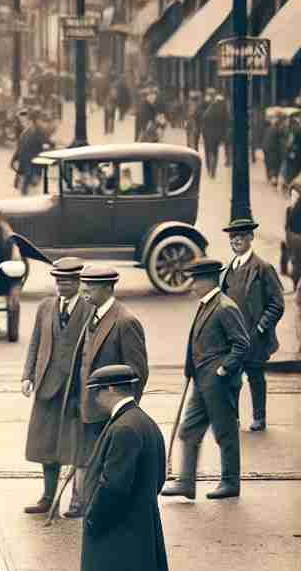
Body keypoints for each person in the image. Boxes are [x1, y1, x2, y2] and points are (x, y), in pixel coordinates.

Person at [78, 365, 173, 571]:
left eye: (96, 391)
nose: (94, 398)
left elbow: (114, 485)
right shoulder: (140, 421)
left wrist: (94, 517)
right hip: (137, 521)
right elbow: (159, 475)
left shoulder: (124, 428)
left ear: (110, 390)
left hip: (122, 526)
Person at [162, 258, 251, 501]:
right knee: (188, 430)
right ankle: (186, 483)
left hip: (219, 382)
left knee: (225, 432)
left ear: (207, 280)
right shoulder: (208, 304)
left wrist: (224, 369)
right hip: (202, 381)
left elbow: (242, 344)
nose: (191, 284)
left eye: (194, 279)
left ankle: (230, 483)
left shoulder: (225, 307)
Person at [65, 265, 149, 518]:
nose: (84, 289)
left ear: (107, 288)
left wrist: (123, 411)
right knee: (82, 458)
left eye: (90, 285)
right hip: (85, 406)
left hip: (108, 410)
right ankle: (80, 503)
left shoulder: (125, 321)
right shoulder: (92, 315)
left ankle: (96, 510)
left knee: (103, 464)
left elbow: (138, 372)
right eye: (83, 283)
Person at [20, 257, 93, 513]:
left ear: (78, 282)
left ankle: (77, 500)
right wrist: (27, 375)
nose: (61, 285)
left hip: (75, 387)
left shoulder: (88, 308)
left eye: (68, 281)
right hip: (47, 384)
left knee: (75, 444)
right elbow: (35, 342)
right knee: (46, 443)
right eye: (58, 280)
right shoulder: (46, 306)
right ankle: (48, 497)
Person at [220, 218, 284, 432]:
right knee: (231, 379)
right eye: (232, 236)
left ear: (251, 237)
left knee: (256, 378)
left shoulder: (263, 268)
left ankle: (259, 418)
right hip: (233, 338)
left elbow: (277, 304)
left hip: (254, 337)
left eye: (241, 235)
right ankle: (234, 418)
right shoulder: (227, 270)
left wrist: (260, 327)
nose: (235, 239)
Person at [201, 91, 229, 179]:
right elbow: (225, 123)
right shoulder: (223, 110)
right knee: (215, 152)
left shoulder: (209, 109)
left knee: (208, 151)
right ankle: (213, 170)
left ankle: (209, 168)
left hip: (208, 134)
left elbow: (203, 119)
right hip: (217, 134)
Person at [286, 181, 301, 289]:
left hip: (295, 237)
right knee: (296, 264)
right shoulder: (289, 210)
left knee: (296, 264)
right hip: (295, 237)